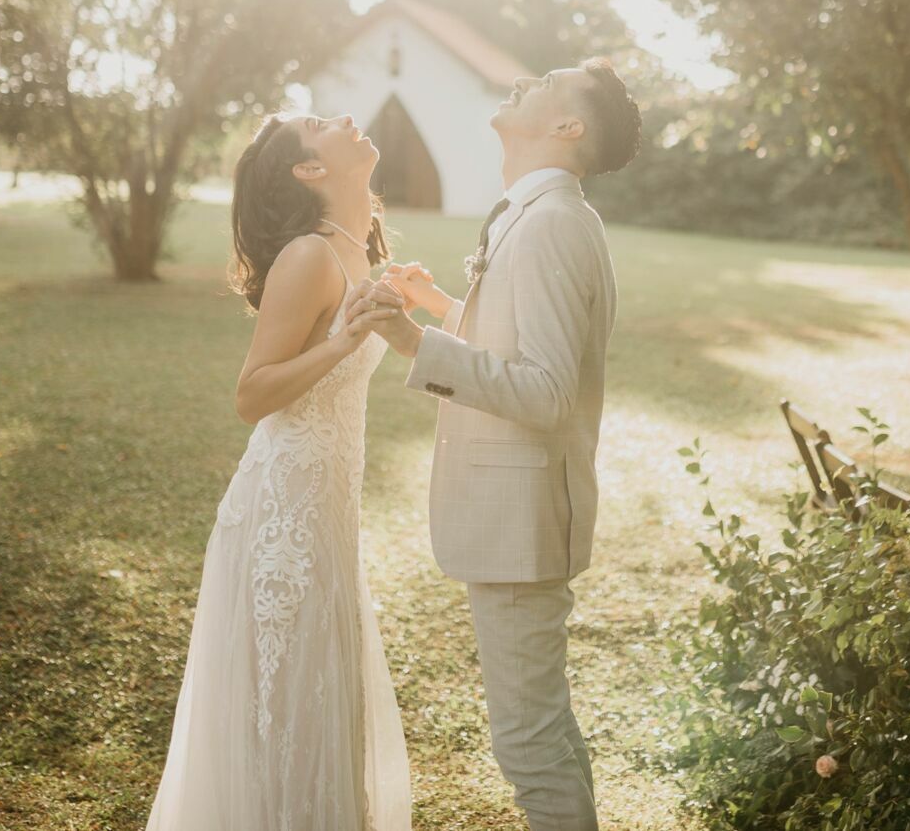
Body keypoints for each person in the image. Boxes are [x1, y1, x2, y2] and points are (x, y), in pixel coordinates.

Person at [359, 59, 642, 831]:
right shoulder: (542, 213)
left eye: (547, 82)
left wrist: (411, 340)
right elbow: (525, 346)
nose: (526, 81)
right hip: (516, 517)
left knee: (529, 742)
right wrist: (444, 309)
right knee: (543, 731)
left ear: (568, 126)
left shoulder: (553, 222)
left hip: (522, 525)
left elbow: (546, 392)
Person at [145, 111, 412, 831]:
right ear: (308, 170)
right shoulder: (308, 257)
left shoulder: (356, 252)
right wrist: (342, 339)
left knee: (317, 698)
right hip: (282, 518)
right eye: (324, 122)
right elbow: (251, 393)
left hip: (329, 512)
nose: (349, 118)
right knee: (280, 707)